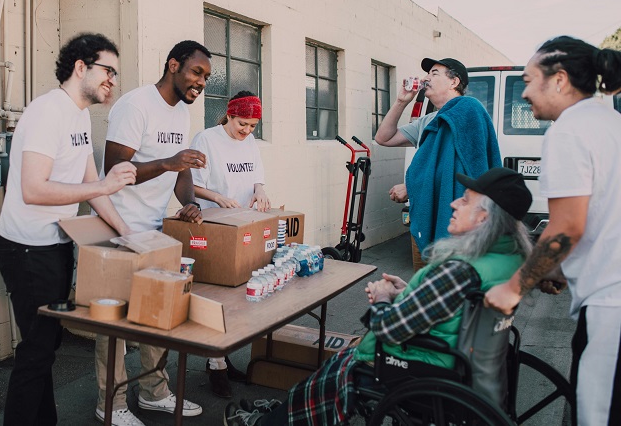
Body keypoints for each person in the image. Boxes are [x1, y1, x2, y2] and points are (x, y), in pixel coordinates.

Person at [224, 167, 533, 426]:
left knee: (343, 365)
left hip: (423, 364)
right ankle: (281, 413)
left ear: (483, 219)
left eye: (465, 201)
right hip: (470, 360)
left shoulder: (460, 270)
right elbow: (452, 307)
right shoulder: (510, 260)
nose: (454, 204)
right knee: (336, 365)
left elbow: (390, 329)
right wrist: (408, 292)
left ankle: (269, 422)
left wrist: (385, 297)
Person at [0, 33, 136, 426]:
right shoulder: (47, 112)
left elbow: (90, 185)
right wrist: (104, 185)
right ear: (80, 67)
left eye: (115, 74)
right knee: (37, 350)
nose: (112, 80)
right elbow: (34, 189)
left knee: (45, 346)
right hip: (25, 249)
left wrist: (128, 233)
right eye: (108, 70)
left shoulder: (79, 116)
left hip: (54, 245)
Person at [484, 36, 621, 425]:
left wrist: (514, 288)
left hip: (611, 309)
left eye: (528, 80)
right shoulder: (610, 122)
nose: (524, 92)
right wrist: (556, 269)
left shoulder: (568, 131)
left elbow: (567, 228)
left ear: (559, 80)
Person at [94, 40, 212, 425]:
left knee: (154, 315)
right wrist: (167, 162)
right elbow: (116, 169)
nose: (201, 83)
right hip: (115, 227)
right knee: (113, 326)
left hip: (153, 231)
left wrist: (189, 201)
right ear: (173, 65)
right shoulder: (136, 104)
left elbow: (183, 169)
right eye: (196, 72)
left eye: (206, 77)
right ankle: (111, 406)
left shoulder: (180, 114)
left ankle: (154, 393)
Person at [375, 58, 502, 271]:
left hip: (457, 224)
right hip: (425, 219)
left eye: (434, 73)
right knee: (423, 287)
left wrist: (412, 187)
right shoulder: (430, 121)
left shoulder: (469, 111)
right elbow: (383, 138)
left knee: (450, 292)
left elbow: (467, 171)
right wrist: (401, 102)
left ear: (454, 82)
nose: (426, 78)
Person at [189, 90, 269, 398]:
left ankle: (221, 359)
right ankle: (216, 364)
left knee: (239, 299)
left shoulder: (249, 142)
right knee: (217, 298)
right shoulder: (206, 140)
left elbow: (257, 178)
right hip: (214, 227)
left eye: (252, 126)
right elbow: (191, 183)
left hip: (244, 225)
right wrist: (216, 197)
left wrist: (260, 191)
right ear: (229, 115)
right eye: (242, 125)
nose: (247, 131)